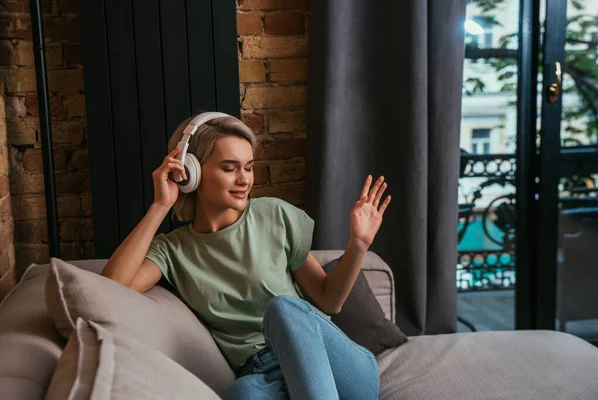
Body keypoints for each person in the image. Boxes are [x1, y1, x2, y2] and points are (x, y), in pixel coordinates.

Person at [100, 112, 391, 399]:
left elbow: (329, 300)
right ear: (190, 173)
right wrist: (160, 205)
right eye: (229, 168)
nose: (244, 180)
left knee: (282, 309)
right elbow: (111, 289)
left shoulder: (274, 215)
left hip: (331, 365)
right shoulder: (172, 250)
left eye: (248, 167)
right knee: (243, 393)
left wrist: (359, 244)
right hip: (265, 374)